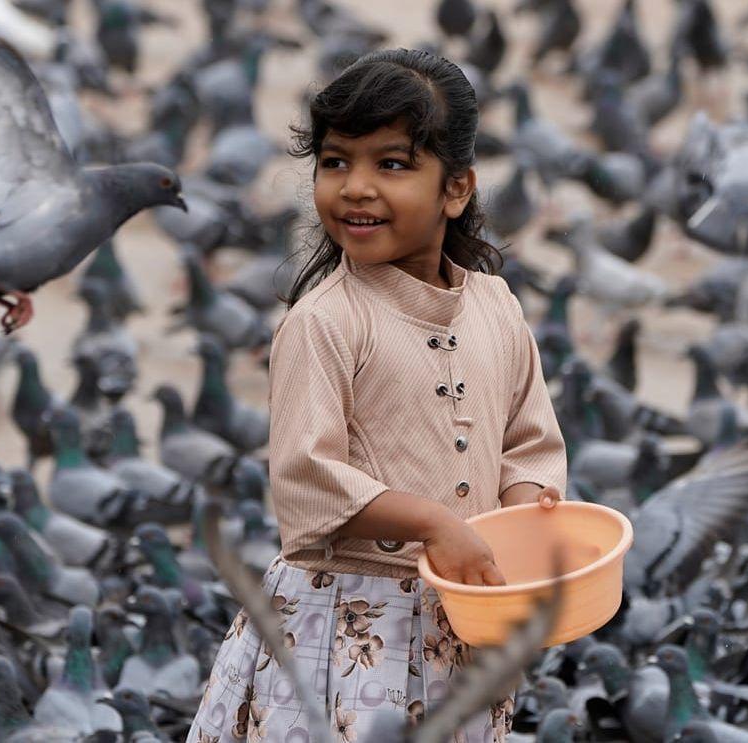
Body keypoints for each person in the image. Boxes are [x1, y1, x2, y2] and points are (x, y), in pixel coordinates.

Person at [187, 48, 568, 743]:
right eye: (336, 163)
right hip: (339, 632)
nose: (355, 187)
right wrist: (433, 522)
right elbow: (306, 475)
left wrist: (521, 521)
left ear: (456, 189)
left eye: (391, 164)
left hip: (458, 620)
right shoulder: (324, 321)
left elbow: (528, 439)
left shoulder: (497, 306)